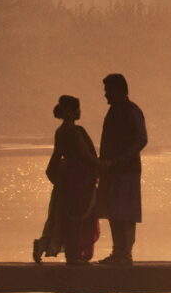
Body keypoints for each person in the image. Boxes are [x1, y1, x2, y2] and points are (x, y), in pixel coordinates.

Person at [34, 94, 98, 265]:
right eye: (77, 108)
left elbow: (55, 158)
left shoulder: (60, 132)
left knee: (65, 215)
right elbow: (87, 156)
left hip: (67, 178)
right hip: (80, 178)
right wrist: (106, 166)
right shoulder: (76, 131)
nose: (79, 112)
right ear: (70, 112)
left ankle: (62, 251)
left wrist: (58, 181)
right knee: (81, 216)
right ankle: (75, 254)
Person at [97, 73, 147, 265]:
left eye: (107, 90)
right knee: (113, 211)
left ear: (118, 90)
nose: (105, 95)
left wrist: (120, 159)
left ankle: (125, 254)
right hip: (112, 169)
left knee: (125, 212)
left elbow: (141, 139)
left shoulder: (131, 110)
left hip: (126, 170)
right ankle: (118, 252)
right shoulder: (115, 110)